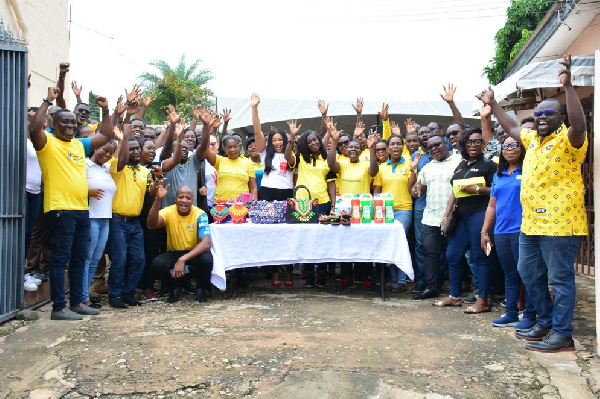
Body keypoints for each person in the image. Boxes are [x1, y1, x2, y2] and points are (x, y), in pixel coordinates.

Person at [478, 54, 588, 352]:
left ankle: (563, 334)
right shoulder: (533, 140)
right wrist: (494, 103)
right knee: (528, 273)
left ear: (560, 118)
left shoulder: (570, 139)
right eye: (538, 113)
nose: (541, 117)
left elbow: (580, 124)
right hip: (532, 223)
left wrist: (568, 88)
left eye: (548, 113)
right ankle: (546, 323)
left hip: (561, 224)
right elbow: (513, 128)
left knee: (560, 279)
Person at [30, 87, 113, 320]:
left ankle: (77, 302)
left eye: (72, 123)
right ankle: (58, 308)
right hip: (59, 209)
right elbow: (35, 128)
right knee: (59, 259)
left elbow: (105, 136)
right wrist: (47, 100)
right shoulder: (47, 144)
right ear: (54, 125)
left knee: (78, 258)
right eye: (64, 122)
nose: (70, 126)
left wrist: (105, 109)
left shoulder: (79, 145)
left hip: (80, 209)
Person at [435, 129, 497, 313]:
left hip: (480, 213)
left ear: (483, 145)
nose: (473, 145)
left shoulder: (489, 165)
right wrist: (446, 216)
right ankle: (454, 297)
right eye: (469, 142)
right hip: (460, 215)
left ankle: (483, 298)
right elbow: (454, 191)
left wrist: (477, 189)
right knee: (452, 255)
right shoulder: (461, 165)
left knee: (480, 256)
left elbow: (496, 190)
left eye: (477, 142)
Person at [480, 131, 537, 329]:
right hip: (502, 231)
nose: (509, 149)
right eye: (506, 146)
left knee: (528, 274)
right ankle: (511, 313)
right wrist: (485, 230)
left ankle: (530, 315)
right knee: (510, 273)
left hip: (523, 230)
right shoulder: (498, 174)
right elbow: (492, 206)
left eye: (515, 146)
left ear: (522, 149)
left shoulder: (529, 170)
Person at [285, 117, 336, 288]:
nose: (313, 143)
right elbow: (287, 158)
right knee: (306, 239)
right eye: (309, 141)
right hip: (303, 204)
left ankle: (321, 276)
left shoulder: (326, 158)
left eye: (315, 139)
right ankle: (308, 277)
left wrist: (334, 203)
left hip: (323, 203)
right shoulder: (300, 158)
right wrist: (291, 138)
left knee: (321, 240)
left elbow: (331, 182)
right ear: (304, 145)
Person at [327, 118, 379, 286]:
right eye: (351, 147)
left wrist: (371, 149)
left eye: (357, 147)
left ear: (361, 149)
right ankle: (346, 275)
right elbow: (330, 163)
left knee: (362, 243)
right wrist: (334, 141)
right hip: (344, 210)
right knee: (345, 243)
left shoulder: (365, 164)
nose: (353, 150)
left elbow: (374, 170)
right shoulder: (341, 163)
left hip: (363, 209)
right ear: (346, 149)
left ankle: (363, 276)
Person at [107, 125, 153, 309]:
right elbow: (120, 160)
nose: (135, 151)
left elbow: (151, 193)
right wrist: (123, 139)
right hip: (118, 220)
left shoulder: (145, 172)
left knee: (138, 259)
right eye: (131, 148)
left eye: (137, 148)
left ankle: (128, 293)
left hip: (135, 223)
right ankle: (115, 294)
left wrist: (157, 188)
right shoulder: (117, 167)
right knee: (120, 259)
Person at [251, 93, 295, 286]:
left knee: (287, 235)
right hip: (267, 194)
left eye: (281, 139)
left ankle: (289, 273)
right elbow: (258, 131)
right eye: (274, 140)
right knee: (272, 235)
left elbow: (290, 159)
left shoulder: (291, 154)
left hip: (286, 195)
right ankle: (274, 273)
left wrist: (292, 138)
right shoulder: (264, 155)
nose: (277, 142)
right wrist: (254, 108)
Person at [412, 135, 461, 300]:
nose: (434, 149)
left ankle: (456, 290)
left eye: (437, 144)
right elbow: (419, 190)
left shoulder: (458, 161)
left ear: (445, 143)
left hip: (454, 217)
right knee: (430, 253)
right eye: (430, 147)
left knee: (454, 255)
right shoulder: (427, 167)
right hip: (430, 217)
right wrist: (415, 190)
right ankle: (432, 288)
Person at [148, 182, 213, 303]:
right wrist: (158, 199)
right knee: (157, 264)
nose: (184, 200)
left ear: (193, 200)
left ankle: (200, 288)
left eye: (188, 198)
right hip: (174, 252)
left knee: (207, 260)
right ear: (175, 199)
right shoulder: (168, 211)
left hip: (194, 253)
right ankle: (175, 286)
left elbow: (206, 243)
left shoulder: (201, 214)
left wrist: (182, 259)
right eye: (181, 197)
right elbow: (151, 224)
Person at [373, 135, 419, 293]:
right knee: (388, 243)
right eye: (392, 144)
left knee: (398, 242)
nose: (396, 147)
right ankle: (394, 279)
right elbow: (377, 192)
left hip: (404, 209)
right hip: (385, 210)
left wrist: (413, 169)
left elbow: (411, 188)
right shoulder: (381, 167)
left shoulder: (409, 164)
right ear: (387, 148)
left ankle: (401, 280)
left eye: (399, 144)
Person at [83, 140, 117, 308]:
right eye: (105, 150)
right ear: (95, 147)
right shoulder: (85, 165)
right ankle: (82, 297)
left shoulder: (106, 168)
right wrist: (86, 191)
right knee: (87, 258)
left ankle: (84, 294)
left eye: (111, 152)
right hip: (91, 217)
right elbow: (72, 185)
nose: (108, 155)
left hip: (105, 219)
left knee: (96, 258)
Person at [198, 109, 258, 201]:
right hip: (220, 206)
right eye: (229, 147)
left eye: (235, 146)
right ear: (224, 148)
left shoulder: (247, 163)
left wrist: (253, 205)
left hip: (241, 206)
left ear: (240, 147)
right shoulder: (219, 161)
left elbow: (253, 187)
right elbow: (205, 148)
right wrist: (207, 126)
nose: (232, 149)